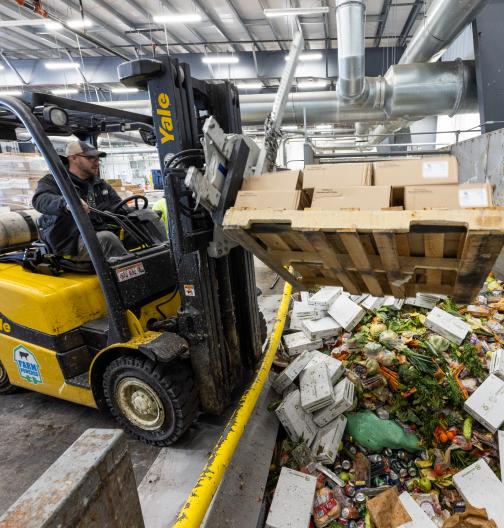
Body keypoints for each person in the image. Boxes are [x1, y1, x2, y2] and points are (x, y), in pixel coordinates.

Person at [32, 140, 129, 261]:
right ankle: (133, 276)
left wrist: (135, 214)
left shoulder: (100, 184)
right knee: (107, 239)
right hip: (71, 242)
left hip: (98, 232)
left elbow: (118, 206)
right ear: (73, 158)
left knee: (147, 219)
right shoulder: (54, 181)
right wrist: (67, 203)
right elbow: (40, 200)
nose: (96, 162)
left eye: (97, 158)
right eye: (91, 158)